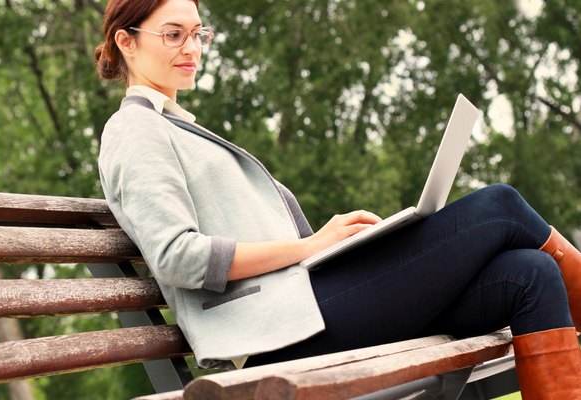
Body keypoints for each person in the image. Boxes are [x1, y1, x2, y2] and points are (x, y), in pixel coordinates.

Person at [93, 0, 581, 397]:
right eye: (173, 34)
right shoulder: (135, 129)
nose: (192, 48)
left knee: (528, 274)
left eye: (198, 33)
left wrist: (333, 246)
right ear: (126, 41)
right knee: (499, 206)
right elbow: (178, 256)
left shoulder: (178, 128)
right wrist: (309, 248)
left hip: (306, 306)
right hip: (276, 337)